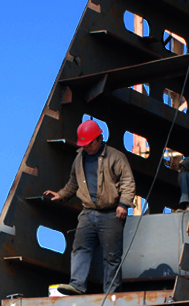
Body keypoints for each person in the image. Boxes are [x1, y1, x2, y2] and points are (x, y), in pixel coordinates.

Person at [44, 119, 136, 295]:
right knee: (80, 247)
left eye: (89, 143)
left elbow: (127, 182)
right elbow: (73, 182)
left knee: (111, 256)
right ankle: (77, 285)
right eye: (84, 144)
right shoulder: (79, 159)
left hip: (111, 214)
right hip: (88, 213)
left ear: (99, 139)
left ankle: (111, 293)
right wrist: (61, 195)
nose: (86, 147)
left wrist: (123, 204)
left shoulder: (116, 157)